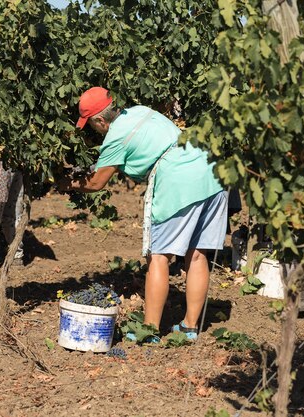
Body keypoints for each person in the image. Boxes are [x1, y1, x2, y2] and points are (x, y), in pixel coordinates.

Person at [59, 87, 227, 342]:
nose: (95, 131)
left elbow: (96, 183)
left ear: (99, 120)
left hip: (178, 180)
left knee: (158, 257)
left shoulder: (115, 137)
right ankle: (190, 327)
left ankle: (149, 331)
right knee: (197, 253)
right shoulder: (140, 111)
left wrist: (65, 183)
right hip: (210, 170)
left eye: (92, 126)